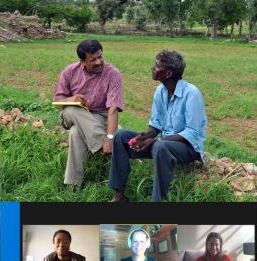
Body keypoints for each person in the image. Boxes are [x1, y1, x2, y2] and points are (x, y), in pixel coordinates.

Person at [109, 50, 207, 202]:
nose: (152, 68)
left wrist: (157, 141)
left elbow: (191, 133)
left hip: (187, 148)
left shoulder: (191, 94)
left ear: (168, 74)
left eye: (157, 66)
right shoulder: (160, 91)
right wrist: (145, 136)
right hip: (163, 144)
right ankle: (118, 196)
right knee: (120, 136)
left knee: (160, 147)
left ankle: (157, 202)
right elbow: (156, 125)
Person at [54, 39, 123, 186]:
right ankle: (101, 146)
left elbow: (113, 109)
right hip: (71, 114)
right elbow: (58, 99)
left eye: (100, 57)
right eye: (93, 59)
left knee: (75, 133)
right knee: (72, 108)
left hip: (99, 117)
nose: (98, 62)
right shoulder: (70, 71)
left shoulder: (113, 74)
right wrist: (73, 99)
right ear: (82, 61)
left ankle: (72, 185)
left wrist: (110, 137)